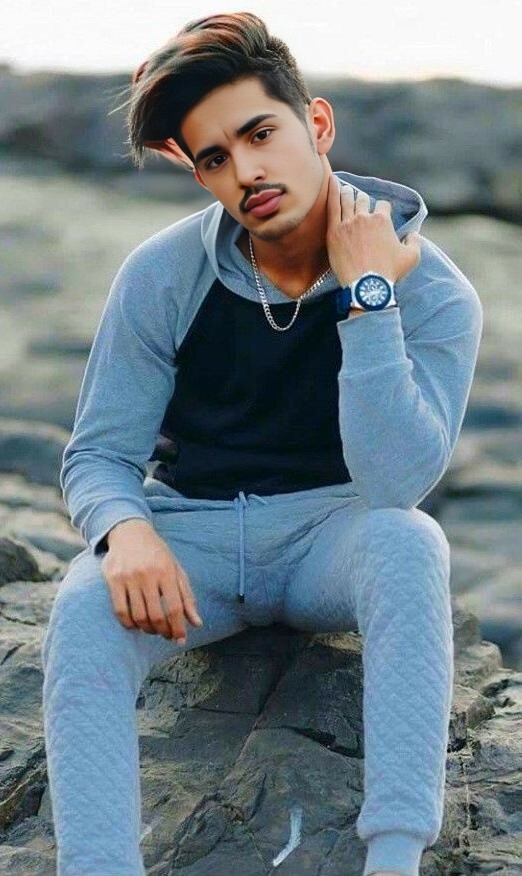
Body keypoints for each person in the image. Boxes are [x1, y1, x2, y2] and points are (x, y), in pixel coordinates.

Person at [40, 11, 483, 876]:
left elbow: (396, 483)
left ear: (316, 123)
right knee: (85, 606)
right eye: (214, 158)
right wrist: (125, 533)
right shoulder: (162, 273)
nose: (246, 172)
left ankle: (394, 862)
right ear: (197, 171)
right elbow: (98, 454)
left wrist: (367, 298)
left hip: (331, 540)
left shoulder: (433, 291)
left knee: (410, 543)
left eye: (260, 134)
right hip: (192, 548)